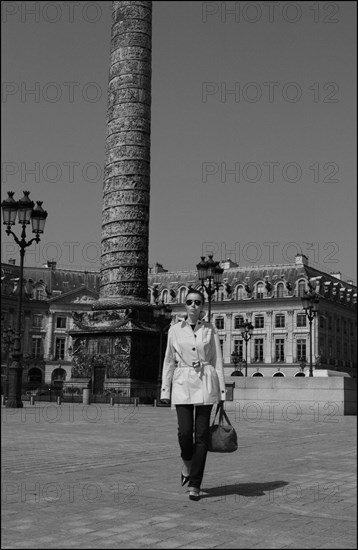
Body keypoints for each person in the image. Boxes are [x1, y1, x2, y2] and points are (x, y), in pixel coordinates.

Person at [160, 289, 226, 501]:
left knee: (202, 436)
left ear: (202, 305)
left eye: (197, 302)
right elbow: (169, 361)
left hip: (205, 381)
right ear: (184, 305)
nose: (193, 305)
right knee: (184, 433)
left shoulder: (210, 329)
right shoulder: (174, 329)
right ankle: (187, 462)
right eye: (189, 302)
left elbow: (217, 361)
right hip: (182, 382)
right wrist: (165, 390)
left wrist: (222, 392)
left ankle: (195, 484)